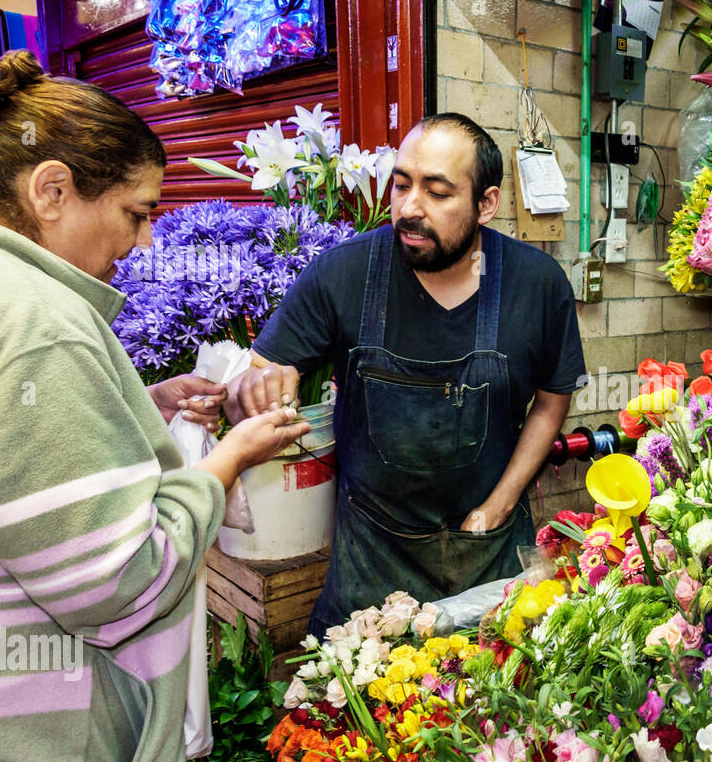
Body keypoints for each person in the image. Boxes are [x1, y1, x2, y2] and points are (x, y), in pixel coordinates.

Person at [0, 50, 311, 762]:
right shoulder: (39, 324)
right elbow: (116, 585)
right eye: (136, 212)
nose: (144, 242)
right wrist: (226, 463)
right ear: (52, 190)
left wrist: (139, 403)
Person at [227, 113, 586, 634]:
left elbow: (553, 401)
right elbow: (254, 381)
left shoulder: (538, 285)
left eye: (438, 193)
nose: (410, 208)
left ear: (486, 204)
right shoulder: (342, 273)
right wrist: (254, 388)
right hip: (370, 560)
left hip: (486, 548)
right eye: (401, 185)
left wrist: (496, 506)